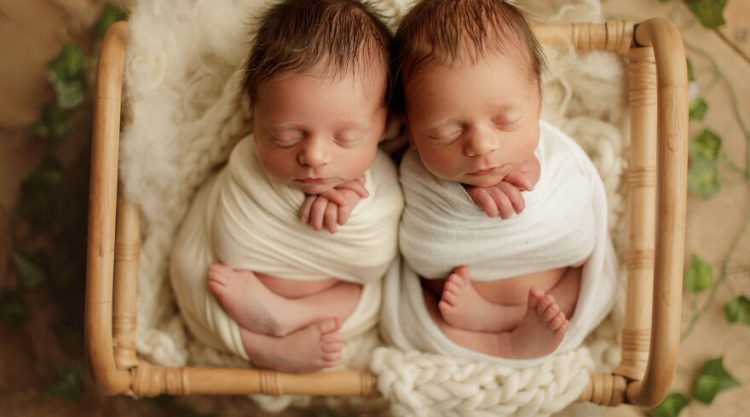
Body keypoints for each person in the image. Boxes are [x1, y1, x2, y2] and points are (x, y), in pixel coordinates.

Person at [170, 0, 403, 373]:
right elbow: (230, 235)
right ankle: (260, 346)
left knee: (379, 292)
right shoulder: (247, 165)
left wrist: (356, 211)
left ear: (384, 125)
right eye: (285, 136)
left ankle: (287, 317)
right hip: (236, 295)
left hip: (327, 301)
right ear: (254, 117)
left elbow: (376, 258)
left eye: (346, 138)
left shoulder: (384, 178)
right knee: (190, 266)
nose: (314, 156)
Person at [381, 0, 618, 362]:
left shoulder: (553, 152)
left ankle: (503, 325)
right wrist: (463, 194)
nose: (481, 145)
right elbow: (420, 250)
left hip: (556, 289)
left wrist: (534, 175)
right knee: (419, 308)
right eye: (446, 132)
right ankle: (500, 341)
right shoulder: (412, 169)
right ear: (411, 131)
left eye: (505, 120)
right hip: (463, 303)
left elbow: (578, 230)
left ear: (538, 100)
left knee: (586, 275)